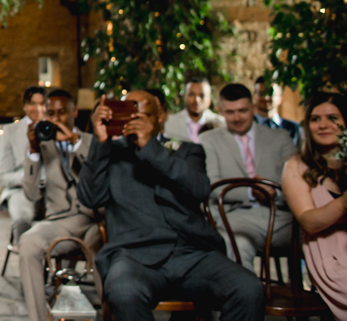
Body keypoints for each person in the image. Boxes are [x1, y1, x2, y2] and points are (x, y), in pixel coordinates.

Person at [78, 90, 264, 321]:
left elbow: (199, 189)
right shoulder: (112, 154)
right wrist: (99, 142)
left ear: (160, 116)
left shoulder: (187, 151)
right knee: (123, 293)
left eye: (141, 115)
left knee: (248, 289)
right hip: (133, 256)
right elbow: (89, 198)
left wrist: (149, 148)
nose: (134, 122)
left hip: (192, 254)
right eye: (129, 114)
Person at [19, 89, 97, 321]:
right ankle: (39, 318)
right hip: (59, 221)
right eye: (51, 113)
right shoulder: (42, 144)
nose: (56, 119)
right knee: (27, 243)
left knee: (107, 251)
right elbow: (31, 194)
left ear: (75, 112)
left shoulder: (92, 142)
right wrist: (33, 150)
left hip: (93, 220)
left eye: (62, 113)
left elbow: (101, 181)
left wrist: (75, 143)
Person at [201, 83, 297, 269]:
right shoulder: (209, 140)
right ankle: (249, 297)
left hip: (281, 216)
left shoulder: (280, 137)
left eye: (243, 110)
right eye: (230, 112)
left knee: (321, 236)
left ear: (253, 108)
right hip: (235, 217)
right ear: (221, 111)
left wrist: (274, 194)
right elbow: (212, 185)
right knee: (234, 245)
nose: (237, 118)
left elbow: (298, 181)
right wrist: (254, 192)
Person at [281, 92, 347, 319]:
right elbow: (308, 221)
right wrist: (344, 203)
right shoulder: (296, 166)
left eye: (332, 118)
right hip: (330, 253)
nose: (323, 125)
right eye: (315, 119)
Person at [0, 86, 46, 245]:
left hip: (52, 190)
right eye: (32, 103)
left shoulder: (57, 128)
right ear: (25, 105)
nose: (37, 108)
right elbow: (4, 177)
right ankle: (26, 257)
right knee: (22, 218)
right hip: (20, 190)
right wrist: (31, 178)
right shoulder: (10, 132)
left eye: (42, 103)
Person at [163, 77, 225, 144]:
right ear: (185, 97)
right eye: (192, 95)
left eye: (202, 96)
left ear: (209, 100)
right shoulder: (169, 123)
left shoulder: (222, 124)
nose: (196, 100)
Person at [253, 76, 300, 144]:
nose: (266, 97)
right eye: (261, 93)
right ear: (254, 96)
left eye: (271, 93)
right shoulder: (244, 127)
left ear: (280, 97)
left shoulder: (294, 128)